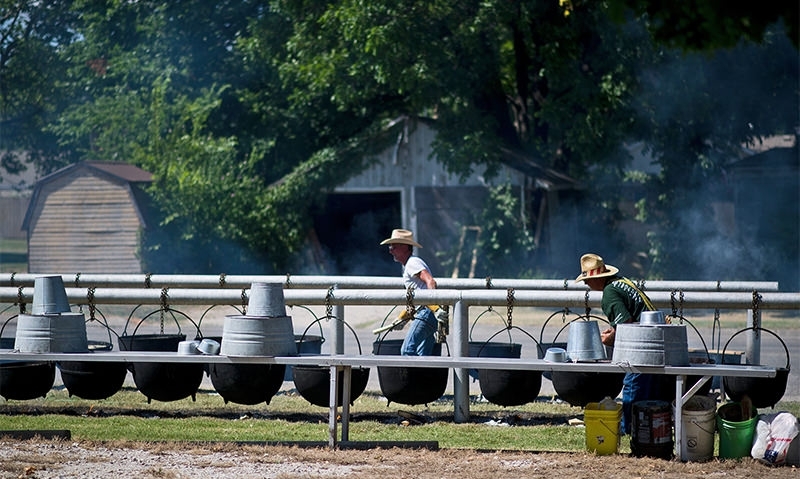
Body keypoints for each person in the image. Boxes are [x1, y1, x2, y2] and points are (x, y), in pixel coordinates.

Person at [575, 253, 671, 434]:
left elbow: (626, 326)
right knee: (651, 392)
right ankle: (650, 427)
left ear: (597, 278)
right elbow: (630, 317)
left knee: (632, 384)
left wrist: (611, 338)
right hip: (655, 340)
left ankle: (628, 427)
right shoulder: (621, 282)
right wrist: (615, 330)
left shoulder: (609, 294)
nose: (586, 284)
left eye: (588, 280)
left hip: (642, 344)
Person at [379, 228, 439, 356]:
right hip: (426, 311)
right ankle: (422, 376)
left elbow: (430, 281)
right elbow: (418, 293)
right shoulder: (411, 264)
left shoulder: (412, 263)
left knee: (407, 350)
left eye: (393, 246)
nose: (390, 250)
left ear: (404, 247)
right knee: (423, 354)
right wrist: (403, 316)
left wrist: (434, 307)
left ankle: (412, 376)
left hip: (426, 312)